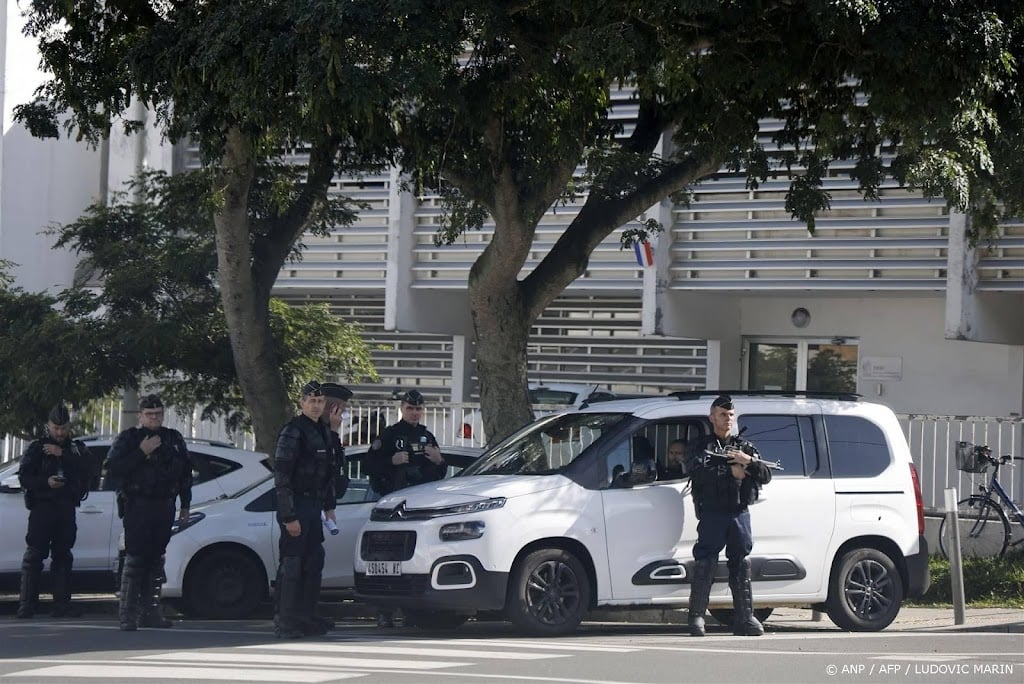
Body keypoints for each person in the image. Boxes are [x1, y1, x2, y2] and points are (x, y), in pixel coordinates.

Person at [684, 394, 772, 637]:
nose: (728, 419)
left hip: (739, 513)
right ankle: (697, 617)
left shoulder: (745, 447)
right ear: (712, 418)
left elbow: (765, 474)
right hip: (713, 512)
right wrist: (731, 471)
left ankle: (745, 618)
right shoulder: (702, 446)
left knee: (741, 563)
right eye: (723, 415)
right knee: (706, 563)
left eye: (731, 415)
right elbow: (695, 472)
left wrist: (749, 463)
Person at [104, 394, 192, 631]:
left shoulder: (172, 439)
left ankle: (150, 612)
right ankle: (127, 614)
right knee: (135, 559)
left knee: (156, 559)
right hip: (138, 505)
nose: (154, 418)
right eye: (149, 414)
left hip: (164, 504)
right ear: (141, 416)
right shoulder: (129, 439)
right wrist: (140, 452)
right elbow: (112, 469)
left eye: (158, 414)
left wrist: (185, 504)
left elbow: (185, 473)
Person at [365, 389, 446, 627]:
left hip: (422, 508)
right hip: (396, 507)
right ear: (402, 408)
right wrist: (391, 461)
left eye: (418, 409)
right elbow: (369, 465)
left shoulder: (427, 437)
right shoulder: (390, 435)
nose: (415, 413)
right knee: (388, 559)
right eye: (410, 408)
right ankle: (385, 611)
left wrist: (439, 460)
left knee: (416, 559)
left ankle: (414, 611)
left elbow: (440, 473)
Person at [273, 381, 337, 639]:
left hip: (314, 506)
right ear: (302, 403)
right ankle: (286, 620)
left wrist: (329, 506)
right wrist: (289, 516)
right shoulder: (293, 431)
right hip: (297, 505)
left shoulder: (321, 430)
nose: (316, 406)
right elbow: (282, 476)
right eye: (311, 401)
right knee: (292, 565)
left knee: (314, 562)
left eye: (320, 402)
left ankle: (306, 616)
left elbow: (329, 472)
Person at [16, 404, 90, 618]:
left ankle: (61, 604)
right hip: (42, 507)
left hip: (66, 507)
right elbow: (24, 477)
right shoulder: (37, 448)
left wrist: (62, 454)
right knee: (34, 555)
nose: (59, 432)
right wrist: (45, 482)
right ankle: (27, 605)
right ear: (49, 426)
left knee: (63, 556)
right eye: (56, 428)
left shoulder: (75, 448)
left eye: (63, 428)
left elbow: (87, 470)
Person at [319, 382, 353, 502]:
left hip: (327, 502)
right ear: (334, 409)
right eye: (341, 410)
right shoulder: (314, 431)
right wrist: (333, 431)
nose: (343, 415)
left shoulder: (329, 430)